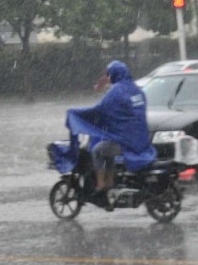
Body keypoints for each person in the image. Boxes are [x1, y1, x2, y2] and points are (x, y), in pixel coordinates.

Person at [66, 61, 155, 204]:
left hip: (125, 142)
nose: (107, 76)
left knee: (97, 151)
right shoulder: (138, 90)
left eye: (108, 74)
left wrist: (77, 114)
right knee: (108, 151)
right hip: (140, 140)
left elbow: (100, 110)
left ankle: (102, 184)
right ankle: (110, 181)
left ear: (113, 74)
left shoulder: (116, 91)